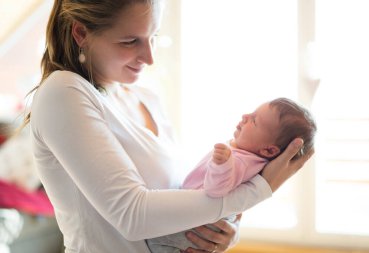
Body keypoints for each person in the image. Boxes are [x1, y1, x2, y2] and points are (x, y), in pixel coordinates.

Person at [23, 1, 313, 252]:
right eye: (130, 41)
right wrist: (259, 190)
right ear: (81, 33)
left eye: (153, 37)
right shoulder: (63, 92)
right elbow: (133, 217)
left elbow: (183, 192)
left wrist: (223, 232)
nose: (149, 57)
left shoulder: (146, 97)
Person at [146, 98, 317, 253]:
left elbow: (215, 190)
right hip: (197, 219)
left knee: (158, 242)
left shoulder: (241, 162)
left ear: (268, 150)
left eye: (254, 120)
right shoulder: (246, 157)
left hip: (192, 227)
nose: (245, 116)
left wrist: (221, 165)